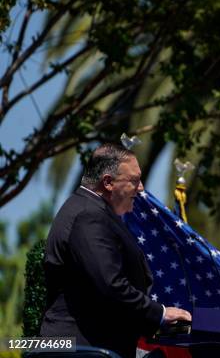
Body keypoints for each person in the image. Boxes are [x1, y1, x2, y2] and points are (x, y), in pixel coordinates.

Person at [41, 143, 192, 357]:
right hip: (81, 350)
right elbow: (110, 284)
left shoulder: (92, 211)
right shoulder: (88, 215)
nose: (141, 188)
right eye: (134, 180)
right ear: (108, 182)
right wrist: (161, 314)